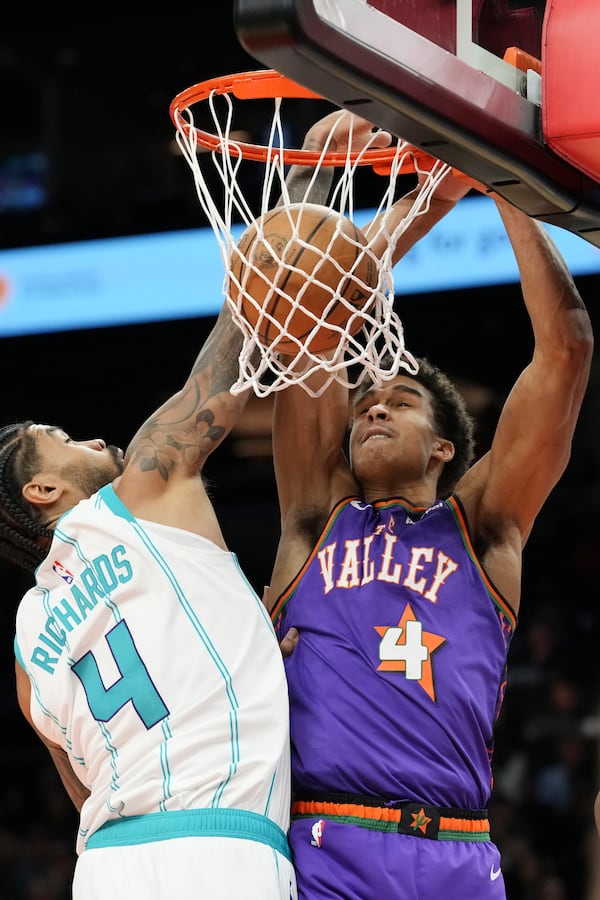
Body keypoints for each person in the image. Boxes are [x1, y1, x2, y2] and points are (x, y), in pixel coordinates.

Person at [267, 113, 594, 898]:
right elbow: (305, 317)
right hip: (326, 844)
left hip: (458, 854)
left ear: (446, 447)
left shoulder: (483, 529)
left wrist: (500, 169)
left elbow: (569, 347)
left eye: (401, 401)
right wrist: (357, 178)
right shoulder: (314, 515)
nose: (374, 409)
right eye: (367, 402)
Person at [6, 298, 297, 899]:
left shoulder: (25, 639)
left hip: (108, 863)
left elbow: (83, 790)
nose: (91, 438)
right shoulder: (140, 493)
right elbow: (232, 346)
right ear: (43, 488)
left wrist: (237, 633)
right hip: (222, 846)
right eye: (63, 440)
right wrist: (276, 250)